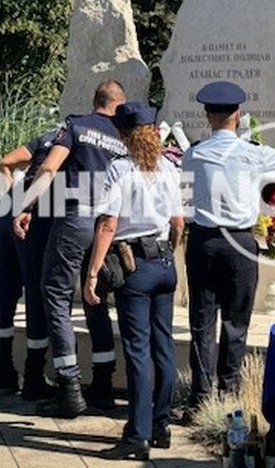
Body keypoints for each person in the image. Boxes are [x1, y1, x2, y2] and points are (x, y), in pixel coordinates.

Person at [182, 81, 275, 409]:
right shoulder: (253, 154)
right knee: (236, 320)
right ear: (239, 114)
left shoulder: (194, 154)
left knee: (203, 319)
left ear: (208, 116)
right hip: (240, 243)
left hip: (204, 241)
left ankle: (200, 397)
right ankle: (230, 390)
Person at [14, 79, 128, 418]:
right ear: (118, 107)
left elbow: (49, 168)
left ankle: (69, 387)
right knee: (96, 300)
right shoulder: (123, 139)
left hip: (75, 219)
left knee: (55, 294)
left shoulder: (75, 127)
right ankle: (103, 386)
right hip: (107, 225)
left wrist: (25, 206)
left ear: (95, 101)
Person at [84, 102, 185, 460]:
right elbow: (177, 224)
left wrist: (94, 270)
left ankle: (137, 434)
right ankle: (160, 424)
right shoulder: (169, 168)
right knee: (163, 347)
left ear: (123, 134)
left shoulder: (120, 170)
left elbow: (109, 225)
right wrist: (168, 253)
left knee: (138, 351)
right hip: (163, 261)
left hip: (135, 266)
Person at [0, 128, 58, 400]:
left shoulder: (45, 138)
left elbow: (5, 162)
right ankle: (34, 376)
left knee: (4, 294)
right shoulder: (69, 142)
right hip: (33, 221)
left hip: (7, 217)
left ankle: (2, 370)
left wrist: (11, 201)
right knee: (37, 295)